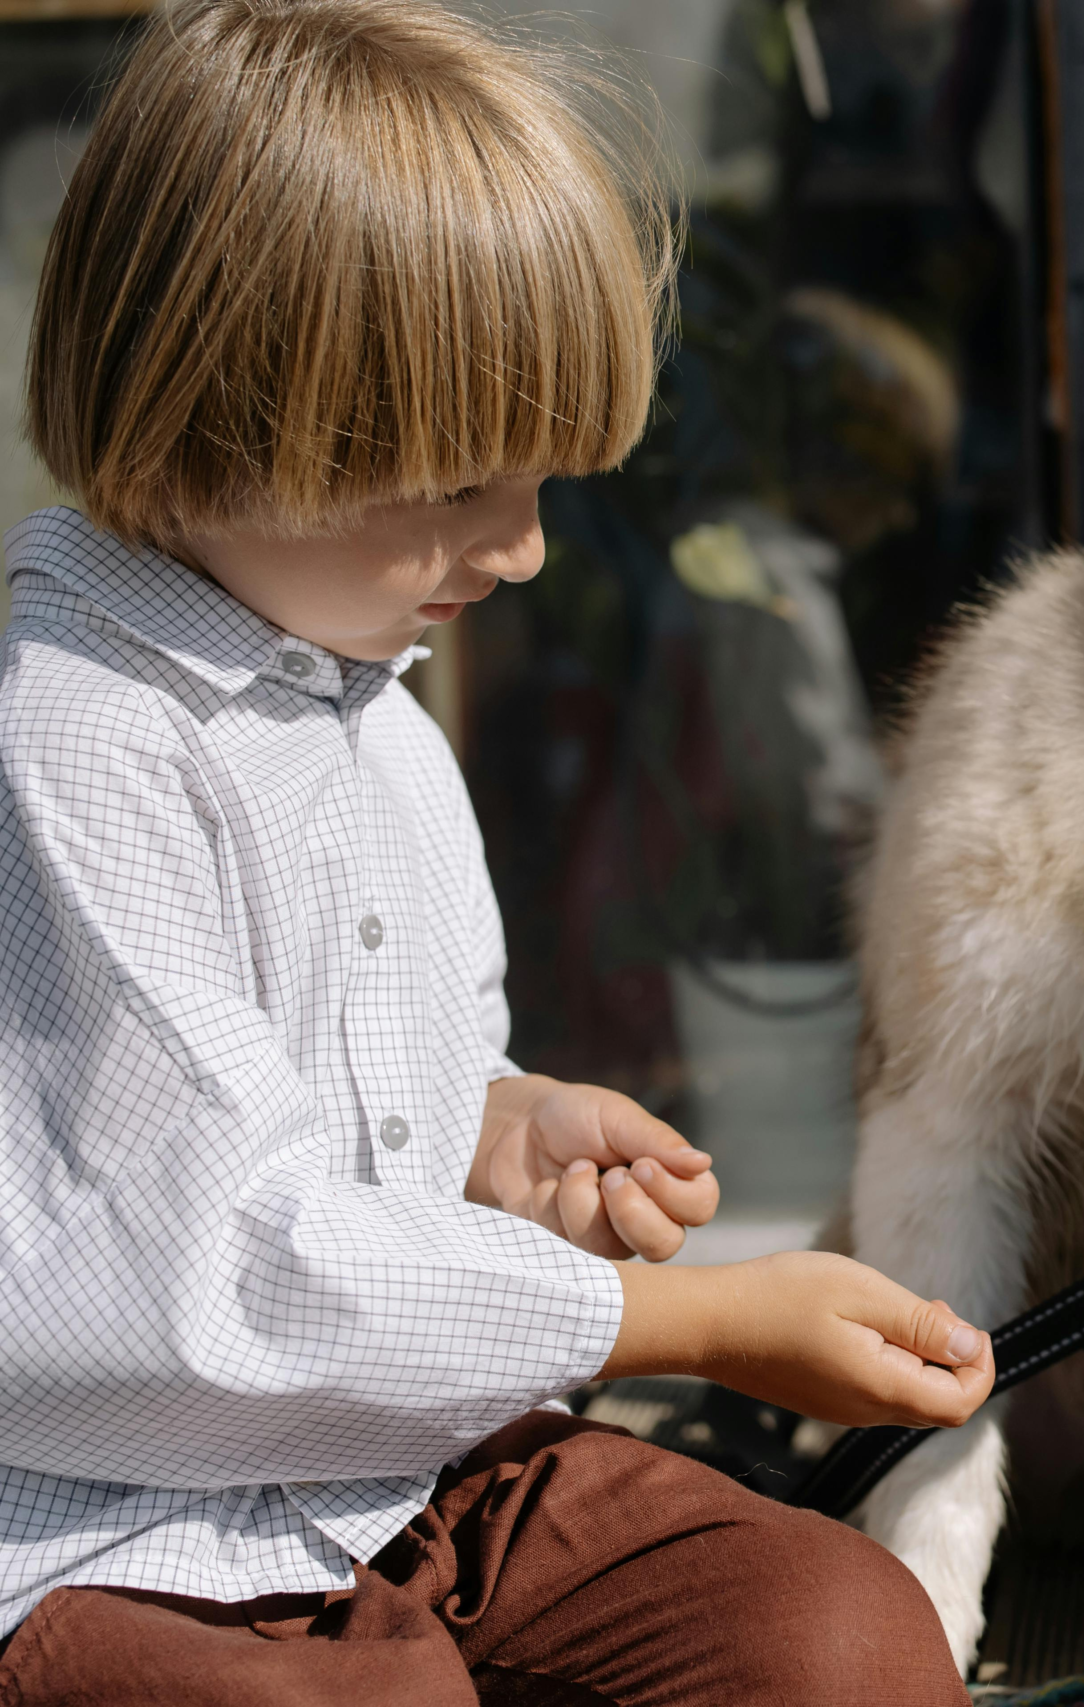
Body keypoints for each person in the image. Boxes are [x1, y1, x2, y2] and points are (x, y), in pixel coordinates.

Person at [0, 3, 994, 1702]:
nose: (526, 548)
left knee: (835, 1633)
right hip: (120, 1525)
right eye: (465, 488)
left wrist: (490, 1130)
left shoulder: (369, 702)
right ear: (227, 414)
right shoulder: (77, 732)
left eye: (540, 483)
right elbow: (203, 1261)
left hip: (412, 1461)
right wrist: (694, 1321)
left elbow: (317, 1095)